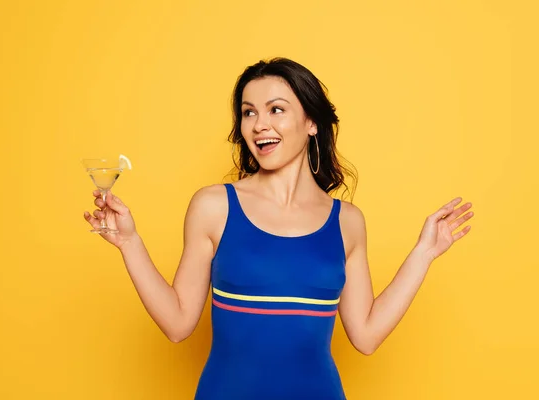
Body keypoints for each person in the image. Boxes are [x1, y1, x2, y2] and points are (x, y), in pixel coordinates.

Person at [83, 57, 474, 400]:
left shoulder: (348, 222)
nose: (259, 125)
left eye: (276, 110)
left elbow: (367, 336)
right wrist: (129, 242)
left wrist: (424, 252)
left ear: (311, 123)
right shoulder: (214, 206)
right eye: (249, 112)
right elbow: (177, 323)